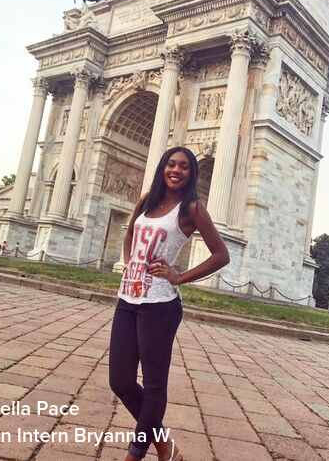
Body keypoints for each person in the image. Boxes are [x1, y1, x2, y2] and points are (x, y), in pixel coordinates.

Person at [109, 146, 229, 461]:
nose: (176, 170)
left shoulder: (192, 208)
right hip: (127, 299)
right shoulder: (147, 200)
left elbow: (221, 254)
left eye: (184, 167)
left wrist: (178, 277)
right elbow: (129, 236)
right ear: (163, 167)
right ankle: (165, 446)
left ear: (192, 174)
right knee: (119, 380)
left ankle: (135, 455)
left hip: (160, 306)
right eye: (171, 164)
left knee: (153, 385)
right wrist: (129, 265)